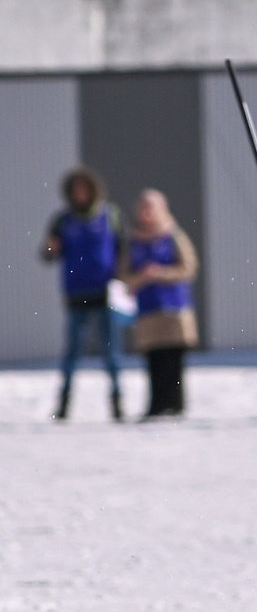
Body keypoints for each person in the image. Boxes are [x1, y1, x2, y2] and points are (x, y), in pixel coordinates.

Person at [42, 167, 123, 422]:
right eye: (75, 189)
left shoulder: (110, 214)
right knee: (72, 354)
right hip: (76, 295)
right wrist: (50, 249)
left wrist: (122, 282)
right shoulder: (62, 220)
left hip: (105, 293)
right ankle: (64, 405)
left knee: (111, 353)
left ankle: (117, 404)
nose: (80, 193)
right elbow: (47, 253)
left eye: (84, 188)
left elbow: (123, 249)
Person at [121, 190, 199, 418]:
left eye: (151, 208)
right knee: (154, 361)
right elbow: (123, 274)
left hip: (174, 309)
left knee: (173, 361)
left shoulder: (173, 235)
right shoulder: (134, 240)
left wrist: (160, 273)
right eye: (142, 208)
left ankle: (175, 406)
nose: (146, 214)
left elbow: (189, 267)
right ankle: (156, 406)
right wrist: (141, 278)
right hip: (148, 309)